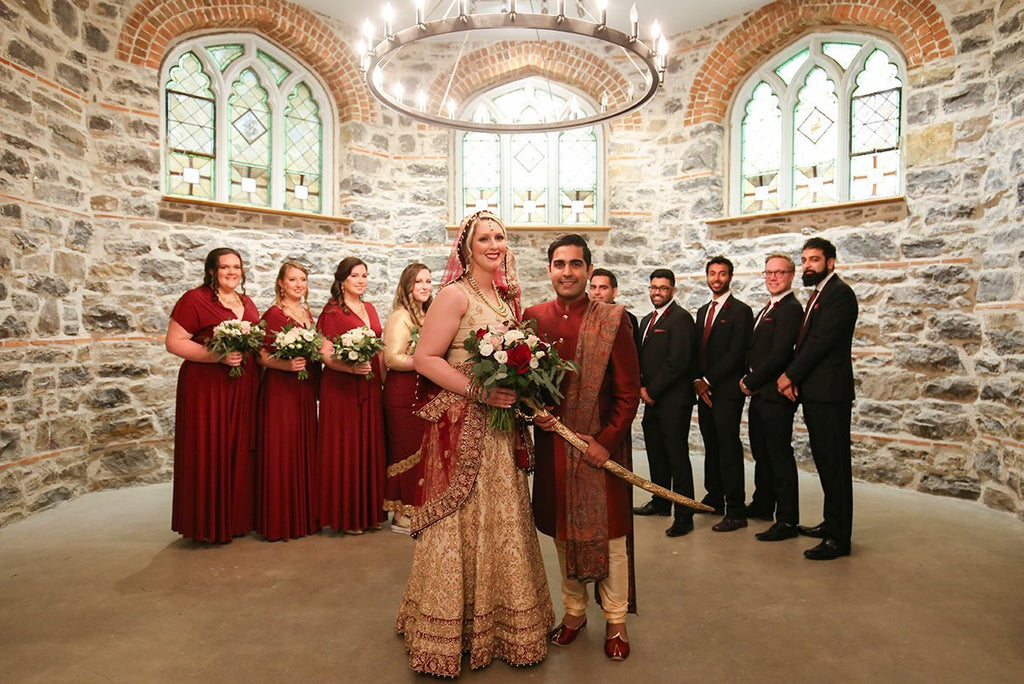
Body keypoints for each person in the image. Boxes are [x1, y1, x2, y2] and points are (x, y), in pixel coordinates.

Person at [395, 211, 553, 677]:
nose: (493, 244)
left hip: (500, 431)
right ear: (465, 246)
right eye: (483, 237)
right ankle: (446, 629)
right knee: (464, 520)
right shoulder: (454, 294)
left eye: (499, 237)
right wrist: (480, 390)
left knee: (502, 517)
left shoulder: (503, 299)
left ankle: (505, 623)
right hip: (464, 428)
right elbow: (424, 358)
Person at [525, 235, 641, 661]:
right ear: (550, 269)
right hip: (555, 445)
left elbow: (628, 394)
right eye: (560, 264)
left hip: (599, 450)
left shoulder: (614, 320)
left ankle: (615, 621)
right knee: (563, 534)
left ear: (590, 271)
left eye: (576, 264)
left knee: (609, 535)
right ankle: (573, 614)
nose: (568, 272)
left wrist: (606, 443)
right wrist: (530, 413)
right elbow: (524, 388)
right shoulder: (533, 319)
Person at [165, 247, 259, 543]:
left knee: (240, 449)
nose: (232, 272)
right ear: (211, 271)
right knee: (210, 448)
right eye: (225, 267)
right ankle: (206, 524)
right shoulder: (195, 300)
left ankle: (237, 519)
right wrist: (215, 356)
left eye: (236, 267)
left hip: (243, 386)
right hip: (207, 389)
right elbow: (174, 342)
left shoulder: (248, 302)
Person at [777, 237, 859, 560]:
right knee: (825, 462)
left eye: (815, 259)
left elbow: (820, 344)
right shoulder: (818, 294)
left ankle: (840, 539)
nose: (808, 265)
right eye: (805, 259)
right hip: (816, 392)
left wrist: (790, 375)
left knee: (835, 464)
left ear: (831, 262)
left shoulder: (840, 294)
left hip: (830, 394)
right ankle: (830, 523)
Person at [316, 257, 387, 534]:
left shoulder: (369, 308)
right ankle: (346, 517)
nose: (361, 280)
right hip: (341, 388)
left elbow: (378, 348)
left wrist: (383, 382)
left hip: (369, 385)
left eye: (364, 276)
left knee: (368, 446)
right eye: (355, 276)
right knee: (345, 449)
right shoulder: (332, 311)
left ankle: (368, 513)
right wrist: (350, 367)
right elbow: (325, 354)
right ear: (342, 280)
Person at [739, 254, 803, 541]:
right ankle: (764, 504)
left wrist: (749, 382)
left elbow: (779, 355)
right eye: (768, 273)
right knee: (762, 453)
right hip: (761, 394)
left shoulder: (790, 308)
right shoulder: (770, 307)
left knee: (779, 456)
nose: (773, 278)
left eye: (779, 273)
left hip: (774, 394)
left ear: (791, 275)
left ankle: (787, 520)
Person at [255, 261, 319, 541]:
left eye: (302, 280)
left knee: (302, 447)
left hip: (303, 390)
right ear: (280, 283)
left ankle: (303, 516)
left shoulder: (307, 314)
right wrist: (285, 366)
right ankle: (280, 521)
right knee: (281, 450)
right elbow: (260, 356)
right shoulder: (272, 314)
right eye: (292, 279)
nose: (298, 285)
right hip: (281, 389)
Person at [632, 269, 699, 538]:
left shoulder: (681, 319)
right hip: (652, 400)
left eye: (663, 288)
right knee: (656, 454)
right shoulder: (648, 319)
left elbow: (678, 361)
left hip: (673, 400)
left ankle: (684, 514)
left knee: (677, 457)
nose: (657, 292)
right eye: (654, 287)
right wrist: (640, 387)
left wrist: (652, 391)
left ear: (673, 290)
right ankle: (660, 501)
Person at [694, 256, 754, 532]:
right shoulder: (703, 310)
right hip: (704, 392)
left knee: (729, 448)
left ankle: (736, 510)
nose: (716, 278)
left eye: (722, 274)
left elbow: (737, 353)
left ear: (730, 277)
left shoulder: (741, 311)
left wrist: (708, 380)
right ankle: (714, 497)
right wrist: (698, 381)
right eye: (712, 273)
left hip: (727, 391)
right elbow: (698, 350)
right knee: (711, 446)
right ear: (707, 276)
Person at [382, 262, 433, 533]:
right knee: (405, 450)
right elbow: (392, 358)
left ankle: (419, 507)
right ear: (407, 286)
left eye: (428, 281)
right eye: (419, 282)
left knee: (424, 449)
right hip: (402, 392)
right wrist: (425, 362)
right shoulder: (400, 316)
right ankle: (401, 514)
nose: (424, 286)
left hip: (422, 391)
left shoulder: (427, 314)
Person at [589, 267, 639, 348]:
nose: (597, 292)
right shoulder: (582, 316)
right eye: (593, 287)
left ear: (614, 292)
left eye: (603, 288)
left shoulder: (627, 318)